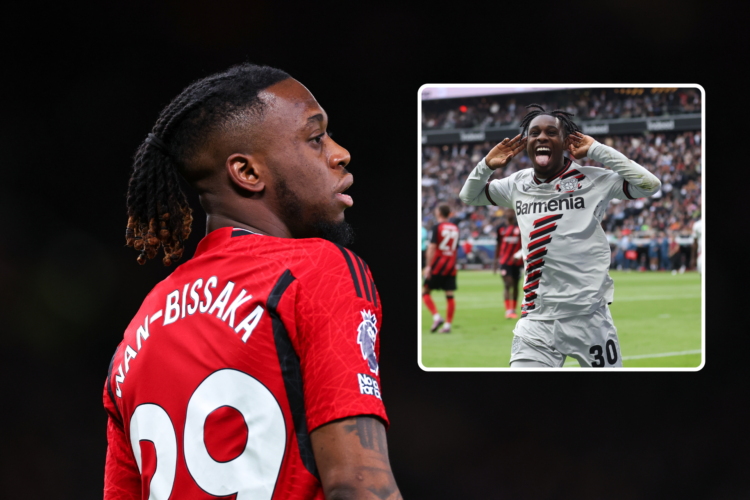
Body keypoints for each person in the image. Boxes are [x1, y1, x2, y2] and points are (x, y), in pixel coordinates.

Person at [103, 64, 402, 499]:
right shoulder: (316, 270)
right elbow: (360, 485)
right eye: (315, 138)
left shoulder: (135, 337)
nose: (339, 153)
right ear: (247, 173)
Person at [459, 104, 661, 368]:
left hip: (590, 318)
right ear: (527, 142)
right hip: (537, 320)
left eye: (551, 132)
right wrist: (486, 165)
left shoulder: (593, 180)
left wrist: (597, 150)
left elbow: (650, 185)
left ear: (566, 142)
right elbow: (468, 196)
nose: (542, 137)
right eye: (534, 133)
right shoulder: (516, 184)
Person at [423, 204, 459, 333]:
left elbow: (432, 247)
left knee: (425, 292)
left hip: (437, 265)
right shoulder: (455, 228)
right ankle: (448, 326)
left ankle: (436, 317)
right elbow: (455, 248)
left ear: (439, 213)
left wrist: (428, 266)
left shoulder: (437, 227)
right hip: (451, 265)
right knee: (449, 295)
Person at [493, 210, 523, 319]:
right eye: (508, 211)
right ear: (505, 213)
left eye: (511, 211)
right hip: (504, 261)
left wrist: (520, 255)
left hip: (517, 261)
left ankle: (513, 309)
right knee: (507, 283)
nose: (509, 213)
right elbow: (498, 244)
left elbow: (524, 243)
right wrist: (495, 261)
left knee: (515, 285)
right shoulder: (500, 228)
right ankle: (508, 310)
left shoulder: (520, 226)